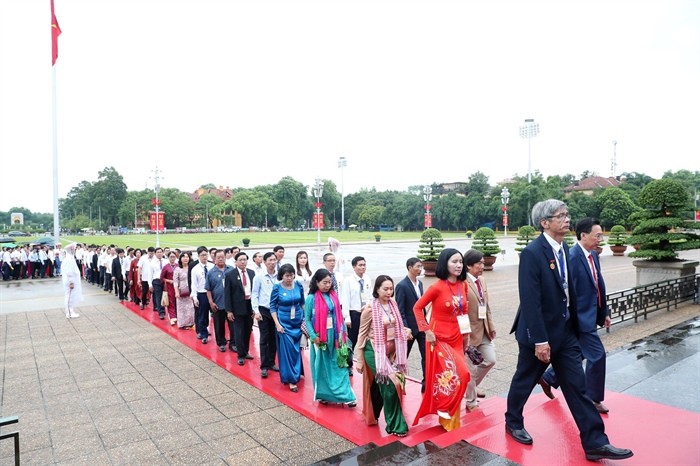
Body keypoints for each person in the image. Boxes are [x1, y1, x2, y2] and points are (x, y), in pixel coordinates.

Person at [505, 199, 633, 461]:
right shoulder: (532, 253)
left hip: (565, 333)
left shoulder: (565, 248)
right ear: (545, 223)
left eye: (567, 214)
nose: (566, 219)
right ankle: (513, 420)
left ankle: (596, 442)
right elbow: (530, 300)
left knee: (578, 387)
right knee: (525, 380)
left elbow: (569, 292)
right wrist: (540, 341)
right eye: (560, 215)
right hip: (538, 334)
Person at [540, 217, 612, 414]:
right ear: (583, 235)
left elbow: (598, 286)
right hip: (579, 318)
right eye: (597, 235)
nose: (600, 238)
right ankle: (593, 398)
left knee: (579, 352)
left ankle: (549, 378)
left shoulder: (593, 255)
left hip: (590, 315)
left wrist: (604, 312)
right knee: (597, 355)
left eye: (601, 235)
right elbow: (566, 291)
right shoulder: (572, 257)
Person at [412, 248, 471, 432]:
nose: (459, 265)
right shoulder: (437, 287)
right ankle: (445, 412)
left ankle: (448, 417)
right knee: (460, 375)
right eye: (454, 261)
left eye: (460, 261)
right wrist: (426, 330)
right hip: (439, 339)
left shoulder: (464, 285)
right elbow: (417, 308)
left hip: (457, 338)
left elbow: (464, 312)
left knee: (457, 378)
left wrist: (466, 335)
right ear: (445, 263)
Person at [355, 275, 410, 437]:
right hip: (373, 352)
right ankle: (396, 425)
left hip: (390, 352)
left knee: (380, 386)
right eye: (385, 289)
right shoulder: (369, 310)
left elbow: (397, 327)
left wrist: (405, 330)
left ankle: (372, 413)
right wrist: (359, 360)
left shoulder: (393, 305)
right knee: (391, 385)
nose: (389, 292)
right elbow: (361, 335)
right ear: (377, 290)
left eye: (391, 289)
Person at [304, 268, 357, 407]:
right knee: (322, 368)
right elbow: (307, 319)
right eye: (324, 282)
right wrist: (313, 335)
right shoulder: (311, 299)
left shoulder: (333, 296)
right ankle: (323, 395)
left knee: (339, 365)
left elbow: (339, 316)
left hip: (336, 337)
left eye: (329, 282)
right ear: (316, 282)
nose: (327, 285)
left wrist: (343, 333)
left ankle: (347, 396)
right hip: (320, 338)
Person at [463, 249, 497, 411]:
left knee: (490, 359)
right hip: (468, 334)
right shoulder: (461, 283)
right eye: (480, 263)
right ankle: (471, 402)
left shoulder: (482, 280)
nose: (483, 266)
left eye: (483, 263)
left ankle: (471, 386)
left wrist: (491, 326)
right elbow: (460, 312)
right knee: (469, 368)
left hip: (483, 330)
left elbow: (486, 305)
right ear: (469, 265)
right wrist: (464, 335)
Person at [270, 263, 305, 392]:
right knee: (288, 351)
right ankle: (291, 379)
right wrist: (277, 324)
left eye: (291, 275)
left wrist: (306, 319)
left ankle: (297, 371)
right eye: (286, 276)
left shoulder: (298, 285)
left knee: (297, 350)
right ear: (282, 276)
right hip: (284, 323)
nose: (289, 278)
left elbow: (302, 303)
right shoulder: (277, 288)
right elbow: (273, 307)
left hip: (297, 320)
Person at [394, 257, 427, 393]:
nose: (420, 269)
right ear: (409, 267)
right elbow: (400, 310)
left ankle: (426, 382)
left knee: (426, 355)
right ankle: (398, 383)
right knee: (402, 357)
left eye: (421, 266)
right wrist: (405, 328)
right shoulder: (402, 285)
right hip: (409, 329)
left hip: (422, 326)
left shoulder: (419, 284)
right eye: (418, 266)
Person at [340, 256, 372, 376]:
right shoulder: (348, 280)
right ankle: (348, 364)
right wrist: (347, 317)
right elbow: (345, 299)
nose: (363, 267)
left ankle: (366, 362)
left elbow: (369, 295)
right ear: (354, 267)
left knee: (366, 338)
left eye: (364, 265)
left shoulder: (367, 279)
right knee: (352, 340)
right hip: (354, 313)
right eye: (360, 265)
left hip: (366, 312)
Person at [225, 252, 256, 365]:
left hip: (249, 305)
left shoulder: (252, 273)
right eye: (240, 260)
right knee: (239, 332)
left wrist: (255, 308)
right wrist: (229, 310)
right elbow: (227, 294)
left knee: (248, 330)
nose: (243, 262)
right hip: (237, 307)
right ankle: (240, 355)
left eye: (245, 259)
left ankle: (246, 351)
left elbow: (255, 291)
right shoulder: (230, 275)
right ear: (236, 262)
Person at [251, 252, 280, 377]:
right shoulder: (259, 276)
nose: (272, 262)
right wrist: (256, 311)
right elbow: (255, 294)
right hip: (264, 310)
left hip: (277, 311)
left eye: (274, 260)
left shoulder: (280, 276)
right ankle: (264, 366)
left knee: (274, 337)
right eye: (270, 260)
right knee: (264, 338)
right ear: (264, 262)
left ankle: (272, 362)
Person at [206, 250, 234, 352]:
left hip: (231, 304)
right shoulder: (211, 273)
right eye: (218, 257)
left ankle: (233, 343)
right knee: (219, 324)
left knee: (233, 325)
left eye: (222, 257)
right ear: (214, 259)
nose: (221, 259)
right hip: (218, 303)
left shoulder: (231, 270)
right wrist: (211, 302)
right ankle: (221, 343)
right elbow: (208, 289)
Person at [192, 246, 213, 344]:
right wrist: (194, 297)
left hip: (213, 294)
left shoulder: (212, 266)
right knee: (202, 315)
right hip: (202, 293)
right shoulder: (195, 269)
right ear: (198, 256)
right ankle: (203, 334)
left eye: (206, 255)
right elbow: (194, 284)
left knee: (215, 315)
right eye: (202, 255)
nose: (204, 257)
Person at [174, 252, 195, 329]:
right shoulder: (178, 269)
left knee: (191, 307)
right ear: (180, 259)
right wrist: (176, 291)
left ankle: (191, 323)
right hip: (181, 290)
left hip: (190, 290)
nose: (185, 259)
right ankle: (183, 324)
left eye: (187, 257)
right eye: (183, 257)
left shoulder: (192, 268)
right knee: (182, 308)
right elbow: (175, 281)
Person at [62, 243, 83, 318]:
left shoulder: (70, 258)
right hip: (70, 281)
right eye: (74, 248)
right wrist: (71, 282)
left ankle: (71, 311)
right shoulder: (69, 259)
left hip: (71, 280)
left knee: (70, 296)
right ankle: (69, 313)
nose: (75, 250)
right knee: (69, 297)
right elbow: (69, 272)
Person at [160, 251, 178, 324]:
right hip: (169, 287)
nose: (172, 258)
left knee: (177, 301)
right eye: (171, 257)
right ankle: (172, 317)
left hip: (177, 286)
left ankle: (177, 316)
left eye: (174, 257)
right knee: (171, 302)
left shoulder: (178, 266)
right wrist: (168, 280)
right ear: (168, 257)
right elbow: (161, 278)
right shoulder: (166, 267)